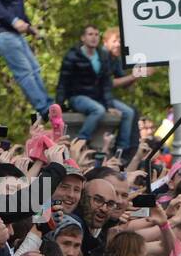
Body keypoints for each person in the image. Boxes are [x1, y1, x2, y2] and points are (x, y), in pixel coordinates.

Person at [55, 25, 135, 157]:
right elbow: (63, 82)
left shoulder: (102, 55)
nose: (94, 37)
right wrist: (58, 105)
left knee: (128, 112)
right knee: (98, 110)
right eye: (90, 34)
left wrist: (109, 105)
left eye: (96, 34)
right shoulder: (72, 55)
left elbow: (106, 84)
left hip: (99, 98)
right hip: (78, 97)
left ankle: (121, 151)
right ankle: (81, 142)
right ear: (83, 38)